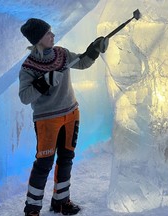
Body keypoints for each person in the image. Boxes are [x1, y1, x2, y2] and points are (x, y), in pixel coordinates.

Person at [18, 18, 109, 216]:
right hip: (47, 120)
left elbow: (83, 62)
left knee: (66, 158)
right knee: (44, 164)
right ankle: (32, 209)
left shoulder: (62, 53)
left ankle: (61, 201)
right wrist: (44, 82)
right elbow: (24, 97)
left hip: (71, 113)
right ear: (37, 39)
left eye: (51, 31)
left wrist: (94, 49)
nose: (52, 35)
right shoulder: (28, 66)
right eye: (47, 33)